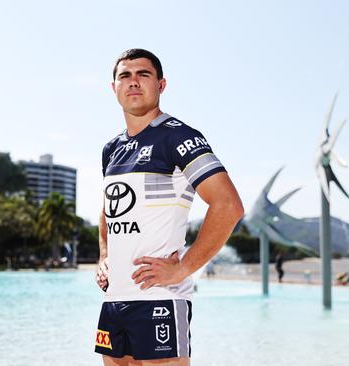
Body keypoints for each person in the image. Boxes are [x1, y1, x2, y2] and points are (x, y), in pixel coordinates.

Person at [94, 49, 244, 366]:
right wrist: (104, 256)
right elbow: (109, 208)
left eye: (143, 75)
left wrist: (184, 268)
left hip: (159, 298)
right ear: (114, 88)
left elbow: (228, 205)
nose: (133, 82)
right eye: (125, 75)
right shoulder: (111, 149)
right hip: (114, 300)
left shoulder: (177, 136)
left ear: (161, 85)